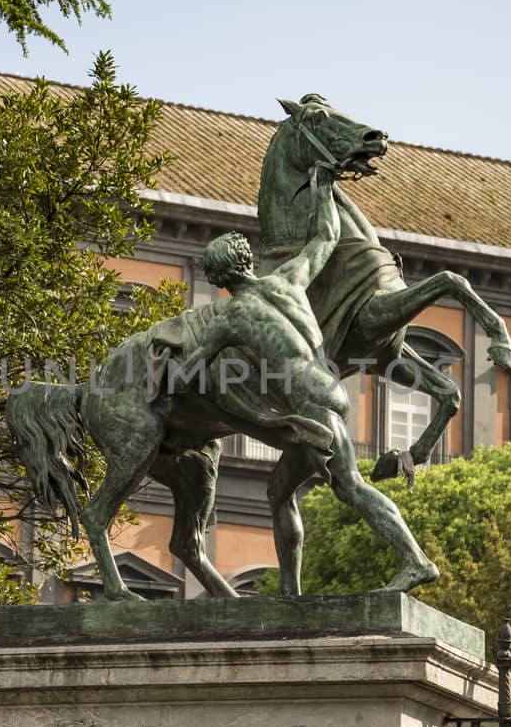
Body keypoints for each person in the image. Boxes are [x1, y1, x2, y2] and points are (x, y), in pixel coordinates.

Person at [165, 169, 438, 593]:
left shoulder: (230, 318)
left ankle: (415, 561)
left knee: (350, 488)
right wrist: (325, 184)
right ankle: (291, 597)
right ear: (246, 261)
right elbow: (327, 236)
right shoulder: (289, 279)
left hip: (308, 407)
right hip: (327, 388)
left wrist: (168, 373)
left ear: (218, 280)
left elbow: (190, 371)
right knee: (279, 492)